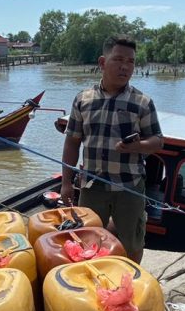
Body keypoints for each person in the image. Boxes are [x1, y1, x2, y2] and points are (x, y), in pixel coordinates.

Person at [60, 34, 164, 263]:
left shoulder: (142, 102)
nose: (125, 66)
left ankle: (130, 285)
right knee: (86, 242)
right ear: (102, 62)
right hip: (91, 186)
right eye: (118, 59)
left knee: (132, 244)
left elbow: (158, 140)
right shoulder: (83, 99)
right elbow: (72, 142)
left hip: (130, 187)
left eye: (131, 61)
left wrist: (138, 146)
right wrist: (67, 183)